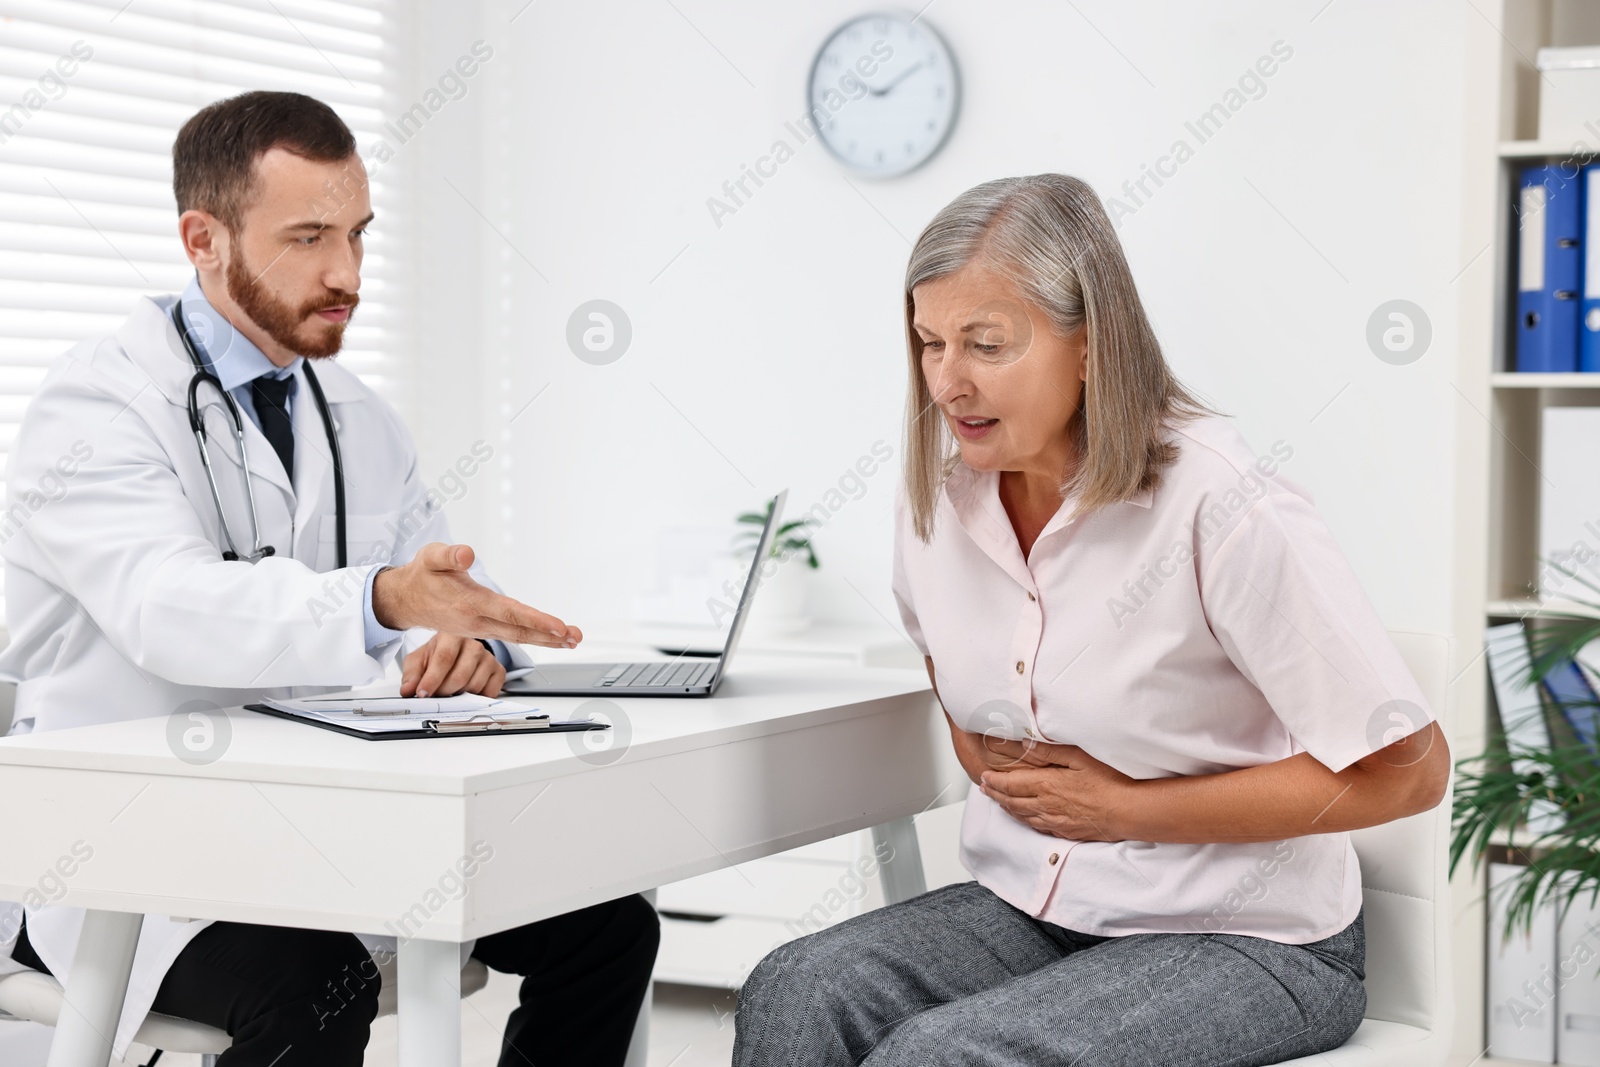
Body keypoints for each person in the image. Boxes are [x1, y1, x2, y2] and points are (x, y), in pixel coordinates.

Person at [732, 174, 1451, 1066]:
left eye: (986, 344)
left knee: (943, 1057)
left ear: (1090, 345)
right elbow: (959, 695)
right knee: (794, 989)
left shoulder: (1221, 503)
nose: (949, 382)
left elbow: (1410, 772)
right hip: (1033, 909)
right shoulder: (938, 500)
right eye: (929, 343)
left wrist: (1127, 807)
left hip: (1248, 940)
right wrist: (1001, 756)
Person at [0, 91, 657, 1067]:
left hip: (332, 823)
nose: (345, 272)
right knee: (308, 996)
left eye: (355, 235)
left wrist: (463, 640)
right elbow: (164, 607)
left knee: (608, 923)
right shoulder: (97, 404)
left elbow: (441, 579)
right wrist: (383, 600)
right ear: (204, 237)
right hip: (136, 850)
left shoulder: (355, 414)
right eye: (308, 237)